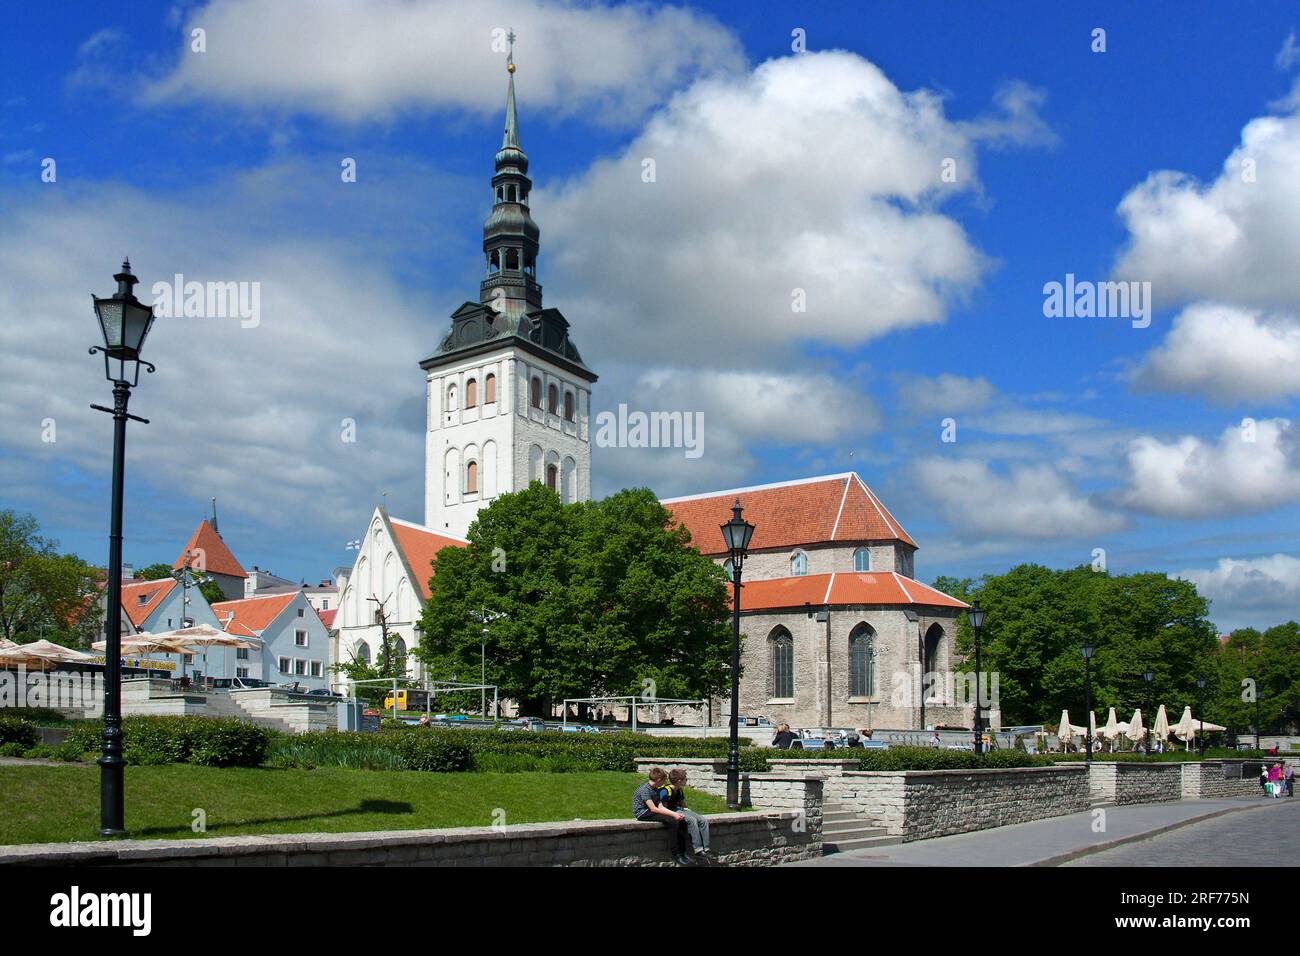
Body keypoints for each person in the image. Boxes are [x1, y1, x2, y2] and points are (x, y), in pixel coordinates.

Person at [632, 768, 690, 864]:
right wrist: (673, 815)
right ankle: (675, 854)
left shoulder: (655, 789)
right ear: (659, 780)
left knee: (681, 820)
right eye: (664, 781)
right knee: (672, 821)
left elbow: (660, 806)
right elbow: (653, 809)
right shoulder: (645, 789)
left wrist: (676, 814)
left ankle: (683, 852)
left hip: (652, 810)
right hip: (643, 813)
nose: (664, 783)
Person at [662, 769, 713, 864]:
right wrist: (676, 814)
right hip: (671, 811)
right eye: (686, 779)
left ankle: (706, 849)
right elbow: (664, 808)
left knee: (702, 820)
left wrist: (691, 812)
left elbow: (683, 805)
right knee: (692, 820)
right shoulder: (666, 791)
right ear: (679, 781)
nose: (687, 780)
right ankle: (698, 850)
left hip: (680, 809)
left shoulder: (679, 790)